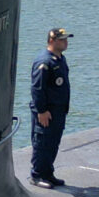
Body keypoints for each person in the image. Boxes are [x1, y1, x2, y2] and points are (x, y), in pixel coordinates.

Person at [28, 28, 72, 188]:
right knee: (42, 142)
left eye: (66, 39)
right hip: (47, 111)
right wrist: (42, 111)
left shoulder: (60, 59)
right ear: (52, 41)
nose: (66, 42)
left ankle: (47, 172)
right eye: (62, 39)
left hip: (59, 110)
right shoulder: (44, 62)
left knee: (53, 142)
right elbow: (37, 89)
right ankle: (37, 174)